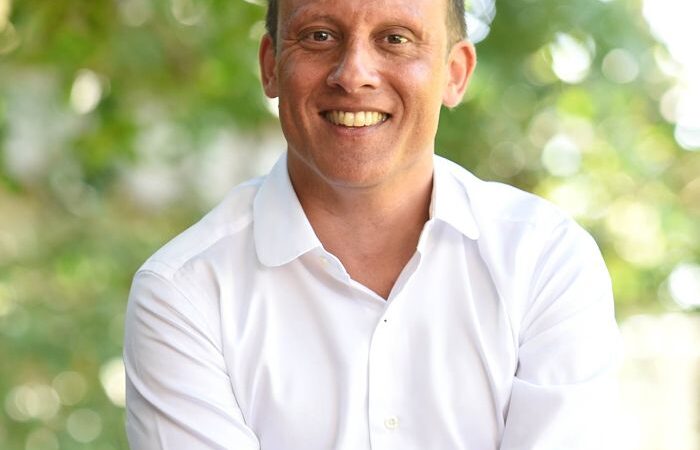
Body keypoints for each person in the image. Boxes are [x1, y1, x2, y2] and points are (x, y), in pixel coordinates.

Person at [123, 0, 621, 448]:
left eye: (395, 39)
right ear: (271, 66)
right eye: (319, 35)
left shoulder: (545, 259)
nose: (353, 74)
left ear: (454, 74)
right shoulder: (183, 291)